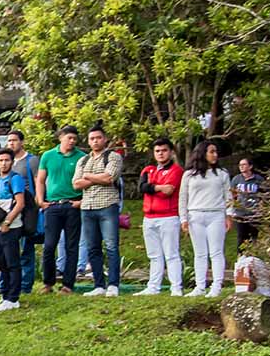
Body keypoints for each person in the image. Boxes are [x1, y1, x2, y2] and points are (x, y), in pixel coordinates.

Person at [73, 124, 124, 297]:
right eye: (92, 139)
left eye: (98, 138)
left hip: (107, 205)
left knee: (111, 246)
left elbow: (110, 177)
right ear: (88, 141)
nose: (95, 141)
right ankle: (98, 285)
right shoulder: (83, 160)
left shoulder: (113, 157)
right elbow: (76, 184)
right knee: (92, 247)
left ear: (105, 139)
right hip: (87, 207)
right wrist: (97, 178)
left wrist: (87, 176)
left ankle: (113, 285)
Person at [180, 140, 234, 298]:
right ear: (203, 153)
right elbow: (183, 197)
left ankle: (217, 286)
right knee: (200, 253)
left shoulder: (222, 173)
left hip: (216, 214)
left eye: (216, 152)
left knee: (216, 252)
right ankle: (200, 286)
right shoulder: (189, 174)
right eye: (211, 152)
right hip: (195, 215)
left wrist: (229, 215)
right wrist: (183, 218)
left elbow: (228, 195)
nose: (215, 155)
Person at [36, 125, 86, 295]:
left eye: (74, 138)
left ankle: (68, 284)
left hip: (73, 204)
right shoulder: (48, 155)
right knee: (49, 245)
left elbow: (87, 182)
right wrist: (41, 200)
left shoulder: (82, 157)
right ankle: (48, 282)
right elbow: (41, 180)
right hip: (53, 205)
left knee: (72, 246)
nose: (71, 141)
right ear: (60, 138)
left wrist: (81, 202)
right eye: (68, 138)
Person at [135, 138, 185, 296]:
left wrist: (153, 187)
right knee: (154, 255)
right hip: (149, 216)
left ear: (170, 152)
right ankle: (153, 287)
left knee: (171, 253)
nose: (161, 153)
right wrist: (158, 187)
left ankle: (176, 288)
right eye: (157, 151)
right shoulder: (148, 170)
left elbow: (169, 191)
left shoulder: (176, 170)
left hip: (168, 216)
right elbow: (141, 188)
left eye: (164, 150)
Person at [6, 130, 40, 294]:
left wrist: (39, 201)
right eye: (9, 141)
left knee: (27, 247)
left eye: (14, 140)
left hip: (27, 209)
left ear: (22, 142)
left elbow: (38, 182)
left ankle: (26, 285)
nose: (11, 143)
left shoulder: (31, 161)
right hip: (9, 210)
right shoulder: (7, 162)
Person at [0, 149, 26, 311]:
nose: (4, 163)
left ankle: (13, 298)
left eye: (7, 160)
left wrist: (7, 221)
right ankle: (5, 294)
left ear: (12, 162)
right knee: (2, 262)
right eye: (1, 160)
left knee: (12, 262)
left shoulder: (15, 179)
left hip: (11, 226)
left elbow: (20, 203)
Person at [230, 157, 266, 250]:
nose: (241, 167)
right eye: (240, 165)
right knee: (241, 237)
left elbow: (265, 194)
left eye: (244, 164)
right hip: (240, 213)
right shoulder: (236, 179)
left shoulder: (258, 179)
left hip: (254, 213)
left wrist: (262, 208)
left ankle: (253, 259)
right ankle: (241, 259)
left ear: (250, 166)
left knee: (253, 237)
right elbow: (232, 195)